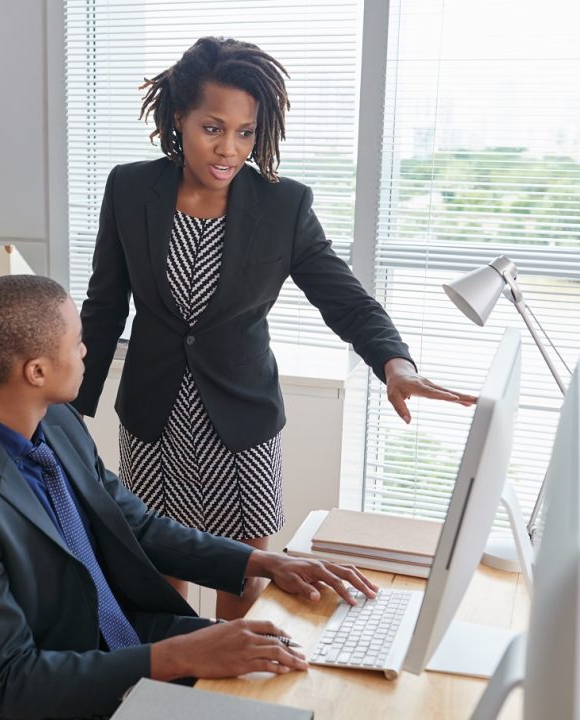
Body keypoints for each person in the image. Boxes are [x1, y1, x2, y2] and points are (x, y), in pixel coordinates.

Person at [72, 36, 476, 620]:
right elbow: (104, 307)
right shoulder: (131, 188)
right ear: (180, 117)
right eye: (214, 127)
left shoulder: (283, 206)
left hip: (242, 427)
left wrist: (396, 364)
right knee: (161, 589)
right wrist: (69, 408)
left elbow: (346, 299)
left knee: (246, 590)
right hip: (153, 422)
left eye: (245, 132)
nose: (229, 149)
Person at [0, 275, 377, 720]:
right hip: (65, 692)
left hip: (131, 640)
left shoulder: (58, 423)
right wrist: (179, 656)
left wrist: (263, 562)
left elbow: (138, 526)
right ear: (36, 371)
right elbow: (12, 683)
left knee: (308, 681)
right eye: (77, 343)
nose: (85, 351)